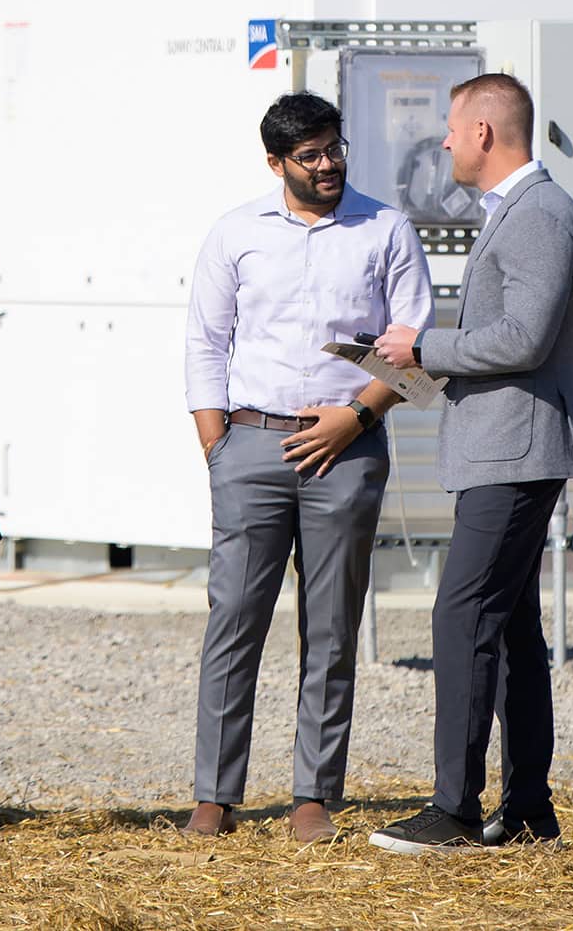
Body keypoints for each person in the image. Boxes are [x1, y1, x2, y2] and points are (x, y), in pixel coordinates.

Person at [180, 92, 432, 844]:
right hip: (252, 445)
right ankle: (215, 795)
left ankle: (313, 794)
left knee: (331, 626)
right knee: (234, 620)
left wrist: (356, 417)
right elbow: (204, 343)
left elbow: (414, 352)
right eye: (310, 155)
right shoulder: (236, 233)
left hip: (348, 444)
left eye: (334, 148)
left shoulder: (386, 228)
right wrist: (218, 445)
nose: (327, 165)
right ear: (276, 162)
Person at [366, 74, 573, 855]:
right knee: (510, 627)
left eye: (453, 131)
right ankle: (528, 808)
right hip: (507, 447)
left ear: (486, 133)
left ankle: (454, 811)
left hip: (516, 450)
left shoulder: (539, 214)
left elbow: (523, 338)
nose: (445, 144)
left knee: (461, 616)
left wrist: (423, 349)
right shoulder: (526, 212)